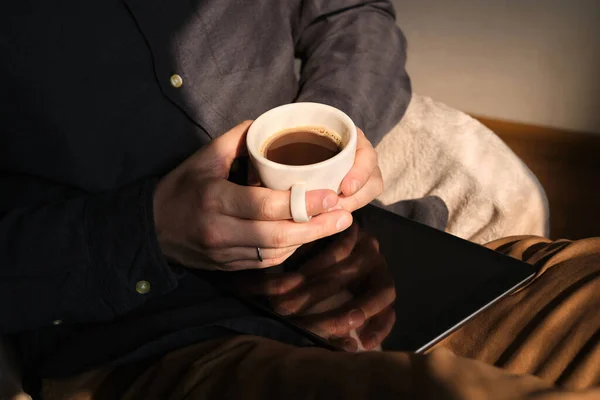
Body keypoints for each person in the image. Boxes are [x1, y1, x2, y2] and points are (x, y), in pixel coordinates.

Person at [1, 1, 598, 399]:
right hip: (157, 339)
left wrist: (343, 126)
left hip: (374, 270)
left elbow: (352, 12)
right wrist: (151, 231)